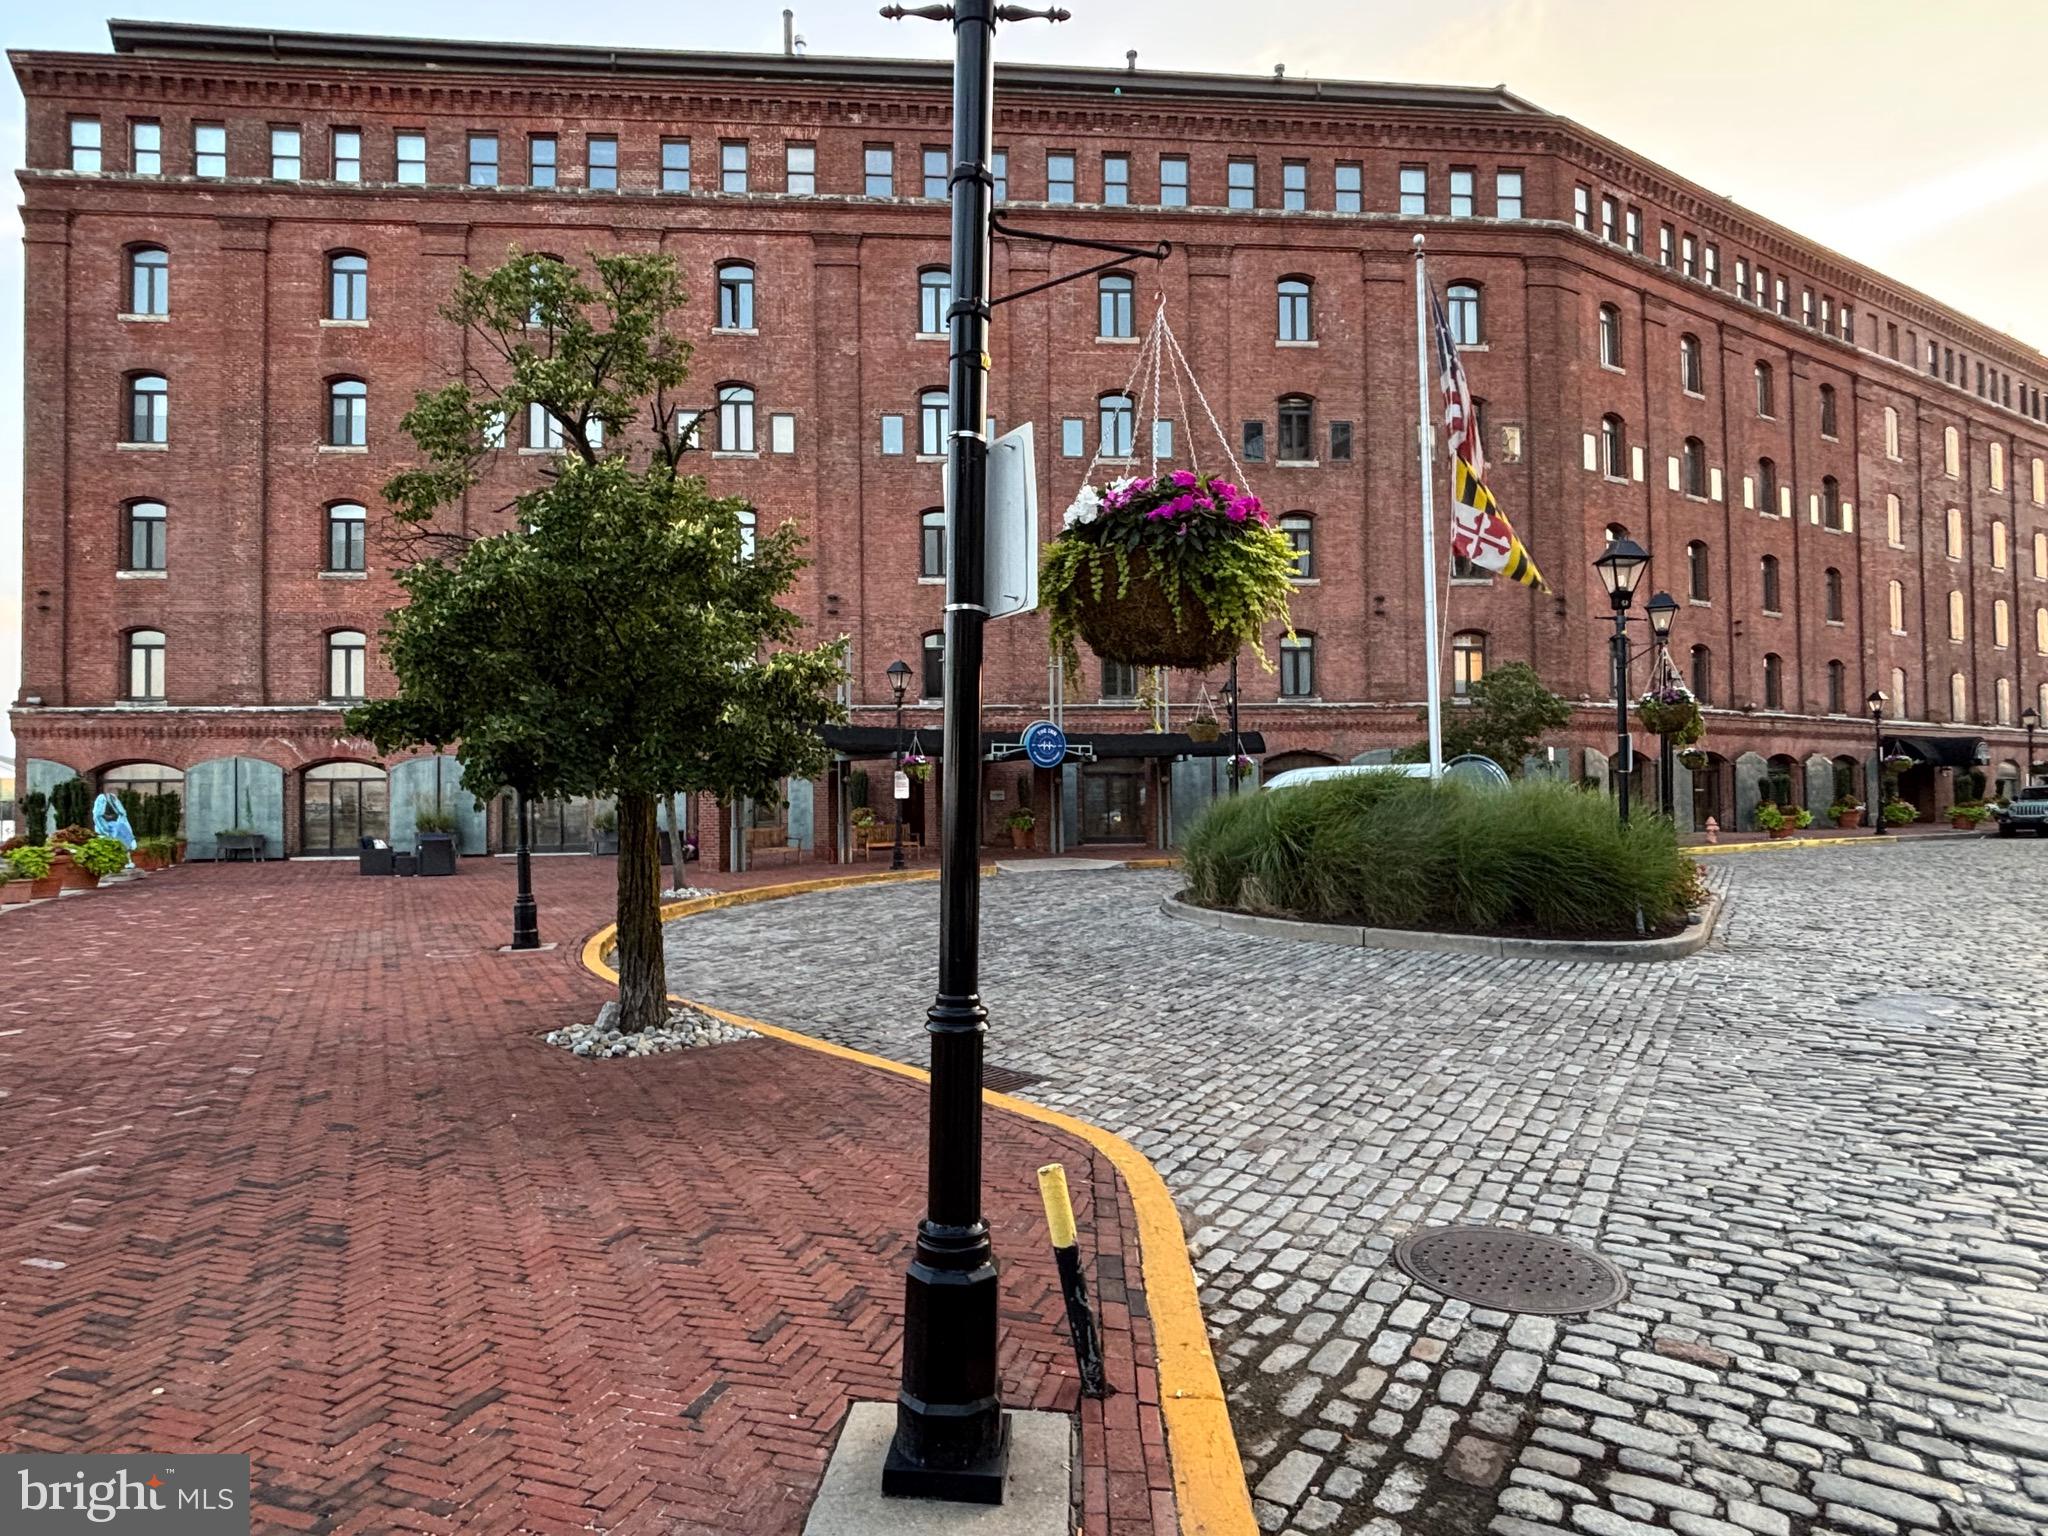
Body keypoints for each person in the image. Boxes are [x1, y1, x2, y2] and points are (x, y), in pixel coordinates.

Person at [92, 790, 137, 859]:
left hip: (116, 831)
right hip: (107, 832)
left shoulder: (120, 825)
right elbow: (99, 816)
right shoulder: (100, 823)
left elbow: (119, 813)